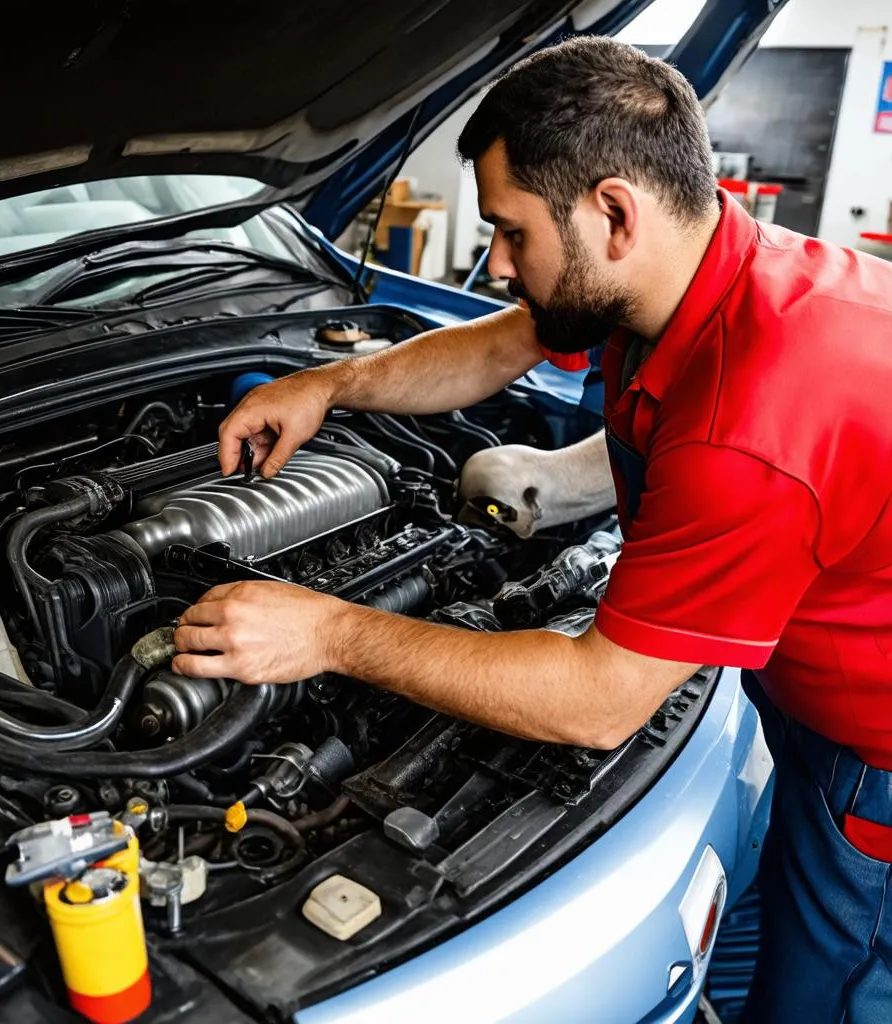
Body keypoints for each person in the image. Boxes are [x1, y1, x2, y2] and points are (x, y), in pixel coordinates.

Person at [172, 36, 892, 1022]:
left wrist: (326, 631)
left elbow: (599, 703)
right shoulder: (688, 265)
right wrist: (329, 383)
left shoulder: (753, 418)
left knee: (831, 985)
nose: (497, 265)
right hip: (810, 673)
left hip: (872, 749)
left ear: (612, 213)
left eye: (510, 233)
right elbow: (495, 346)